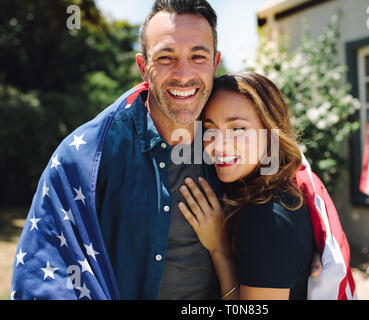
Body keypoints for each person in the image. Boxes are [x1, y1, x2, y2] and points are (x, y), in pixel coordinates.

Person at [11, 0, 323, 300]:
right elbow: (46, 265)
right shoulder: (90, 154)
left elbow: (280, 182)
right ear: (143, 66)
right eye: (165, 57)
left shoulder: (227, 145)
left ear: (215, 62)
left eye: (198, 56)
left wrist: (305, 246)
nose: (184, 74)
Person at [178, 72, 357, 300]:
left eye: (238, 129)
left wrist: (219, 250)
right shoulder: (284, 189)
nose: (219, 145)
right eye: (210, 129)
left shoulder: (265, 217)